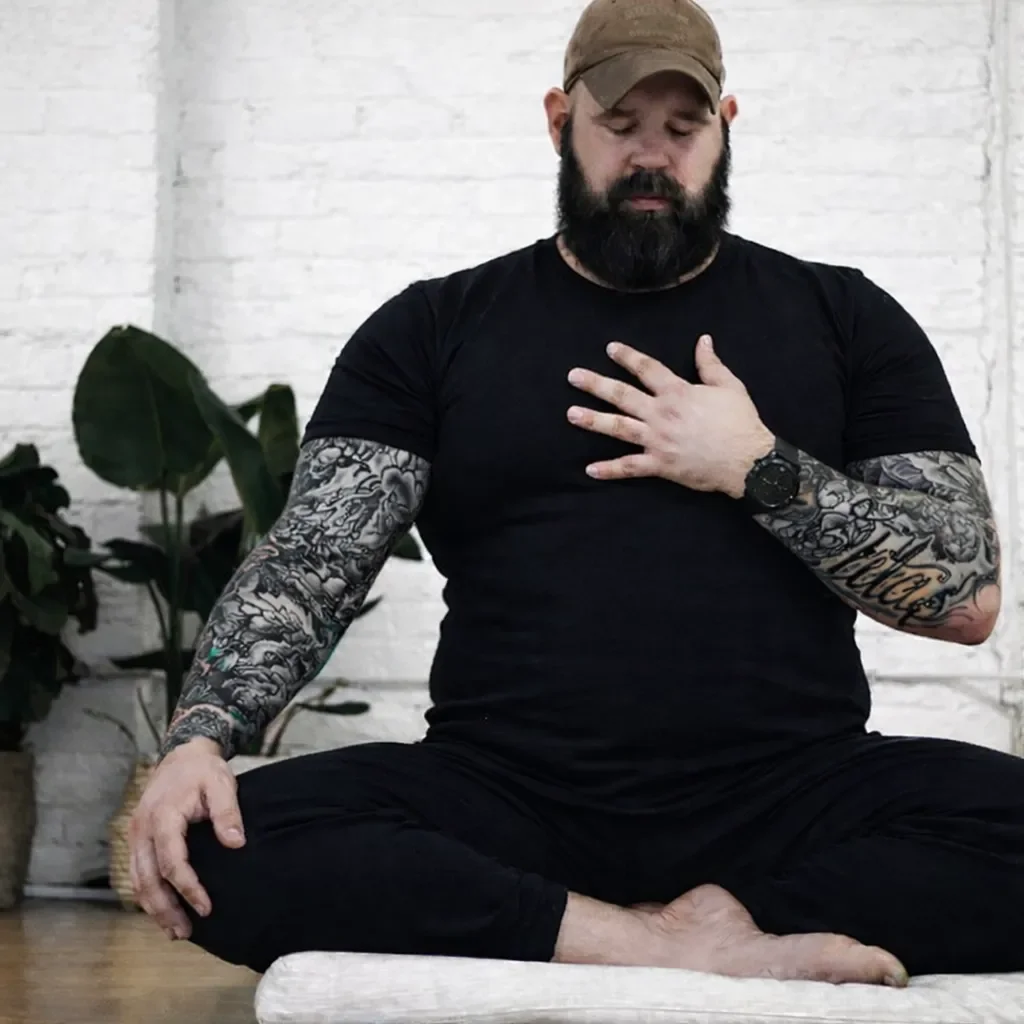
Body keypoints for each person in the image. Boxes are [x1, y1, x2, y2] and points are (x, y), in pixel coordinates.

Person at [127, 0, 1022, 988]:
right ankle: (648, 940)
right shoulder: (432, 329)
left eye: (682, 129)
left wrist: (757, 464)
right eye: (620, 125)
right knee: (210, 843)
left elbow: (965, 596)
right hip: (508, 795)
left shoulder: (844, 316)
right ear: (559, 121)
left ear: (726, 125)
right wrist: (200, 733)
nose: (652, 156)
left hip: (792, 794)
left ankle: (731, 916)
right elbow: (312, 562)